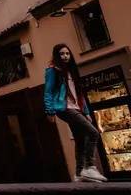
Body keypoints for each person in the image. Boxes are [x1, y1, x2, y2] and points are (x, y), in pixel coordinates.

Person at [44, 43, 107, 182]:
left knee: (80, 139)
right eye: (62, 54)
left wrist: (86, 112)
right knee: (93, 133)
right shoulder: (53, 71)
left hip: (76, 108)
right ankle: (90, 167)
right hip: (65, 108)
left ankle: (79, 173)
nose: (65, 56)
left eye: (67, 53)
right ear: (57, 55)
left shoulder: (72, 71)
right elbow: (48, 92)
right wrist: (49, 111)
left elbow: (79, 94)